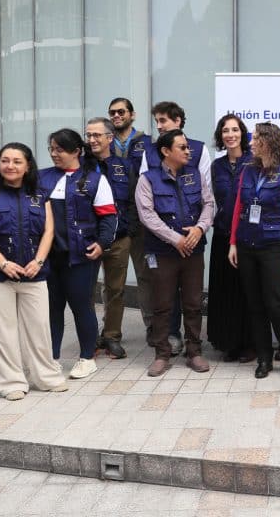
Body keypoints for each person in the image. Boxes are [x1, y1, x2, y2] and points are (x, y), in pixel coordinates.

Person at [0, 142, 68, 400]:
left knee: (39, 327)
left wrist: (38, 261)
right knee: (2, 332)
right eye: (5, 161)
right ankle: (11, 382)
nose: (10, 166)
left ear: (27, 166)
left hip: (34, 272)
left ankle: (45, 376)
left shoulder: (40, 194)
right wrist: (2, 262)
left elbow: (49, 231)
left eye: (16, 161)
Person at [38, 128, 117, 380]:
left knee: (82, 306)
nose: (54, 154)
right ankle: (51, 358)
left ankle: (86, 357)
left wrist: (102, 244)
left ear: (76, 151)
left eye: (59, 149)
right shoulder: (41, 178)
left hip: (81, 256)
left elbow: (108, 216)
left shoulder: (94, 179)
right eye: (51, 149)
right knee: (51, 308)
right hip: (49, 256)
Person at [136, 129, 216, 376]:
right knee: (162, 304)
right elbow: (147, 215)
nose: (187, 151)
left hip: (193, 251)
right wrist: (175, 239)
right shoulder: (148, 179)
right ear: (166, 151)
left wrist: (200, 229)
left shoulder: (195, 174)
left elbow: (209, 204)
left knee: (193, 303)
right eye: (182, 147)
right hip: (162, 252)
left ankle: (194, 352)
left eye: (187, 147)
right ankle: (162, 354)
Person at [228, 122, 280, 379]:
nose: (250, 143)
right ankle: (264, 358)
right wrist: (233, 243)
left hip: (273, 246)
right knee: (255, 305)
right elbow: (239, 207)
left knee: (275, 304)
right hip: (247, 245)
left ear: (268, 142)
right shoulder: (248, 172)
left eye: (255, 138)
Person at [85, 117, 135, 359]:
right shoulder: (81, 167)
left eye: (97, 135)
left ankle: (112, 336)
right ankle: (90, 337)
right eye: (89, 135)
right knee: (85, 291)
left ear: (109, 138)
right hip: (88, 239)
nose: (92, 139)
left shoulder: (123, 166)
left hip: (119, 237)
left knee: (116, 289)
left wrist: (130, 230)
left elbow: (135, 201)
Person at [107, 97, 155, 346]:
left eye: (121, 112)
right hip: (113, 222)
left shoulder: (147, 143)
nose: (116, 116)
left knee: (146, 276)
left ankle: (152, 327)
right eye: (112, 113)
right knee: (114, 282)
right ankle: (111, 333)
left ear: (132, 115)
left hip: (141, 220)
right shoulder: (103, 143)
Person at [208, 113, 254, 363]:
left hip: (248, 237)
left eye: (235, 130)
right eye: (225, 131)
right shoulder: (217, 165)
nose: (230, 135)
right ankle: (229, 342)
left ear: (242, 133)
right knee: (225, 290)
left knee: (247, 290)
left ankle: (250, 343)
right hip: (224, 234)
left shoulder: (255, 161)